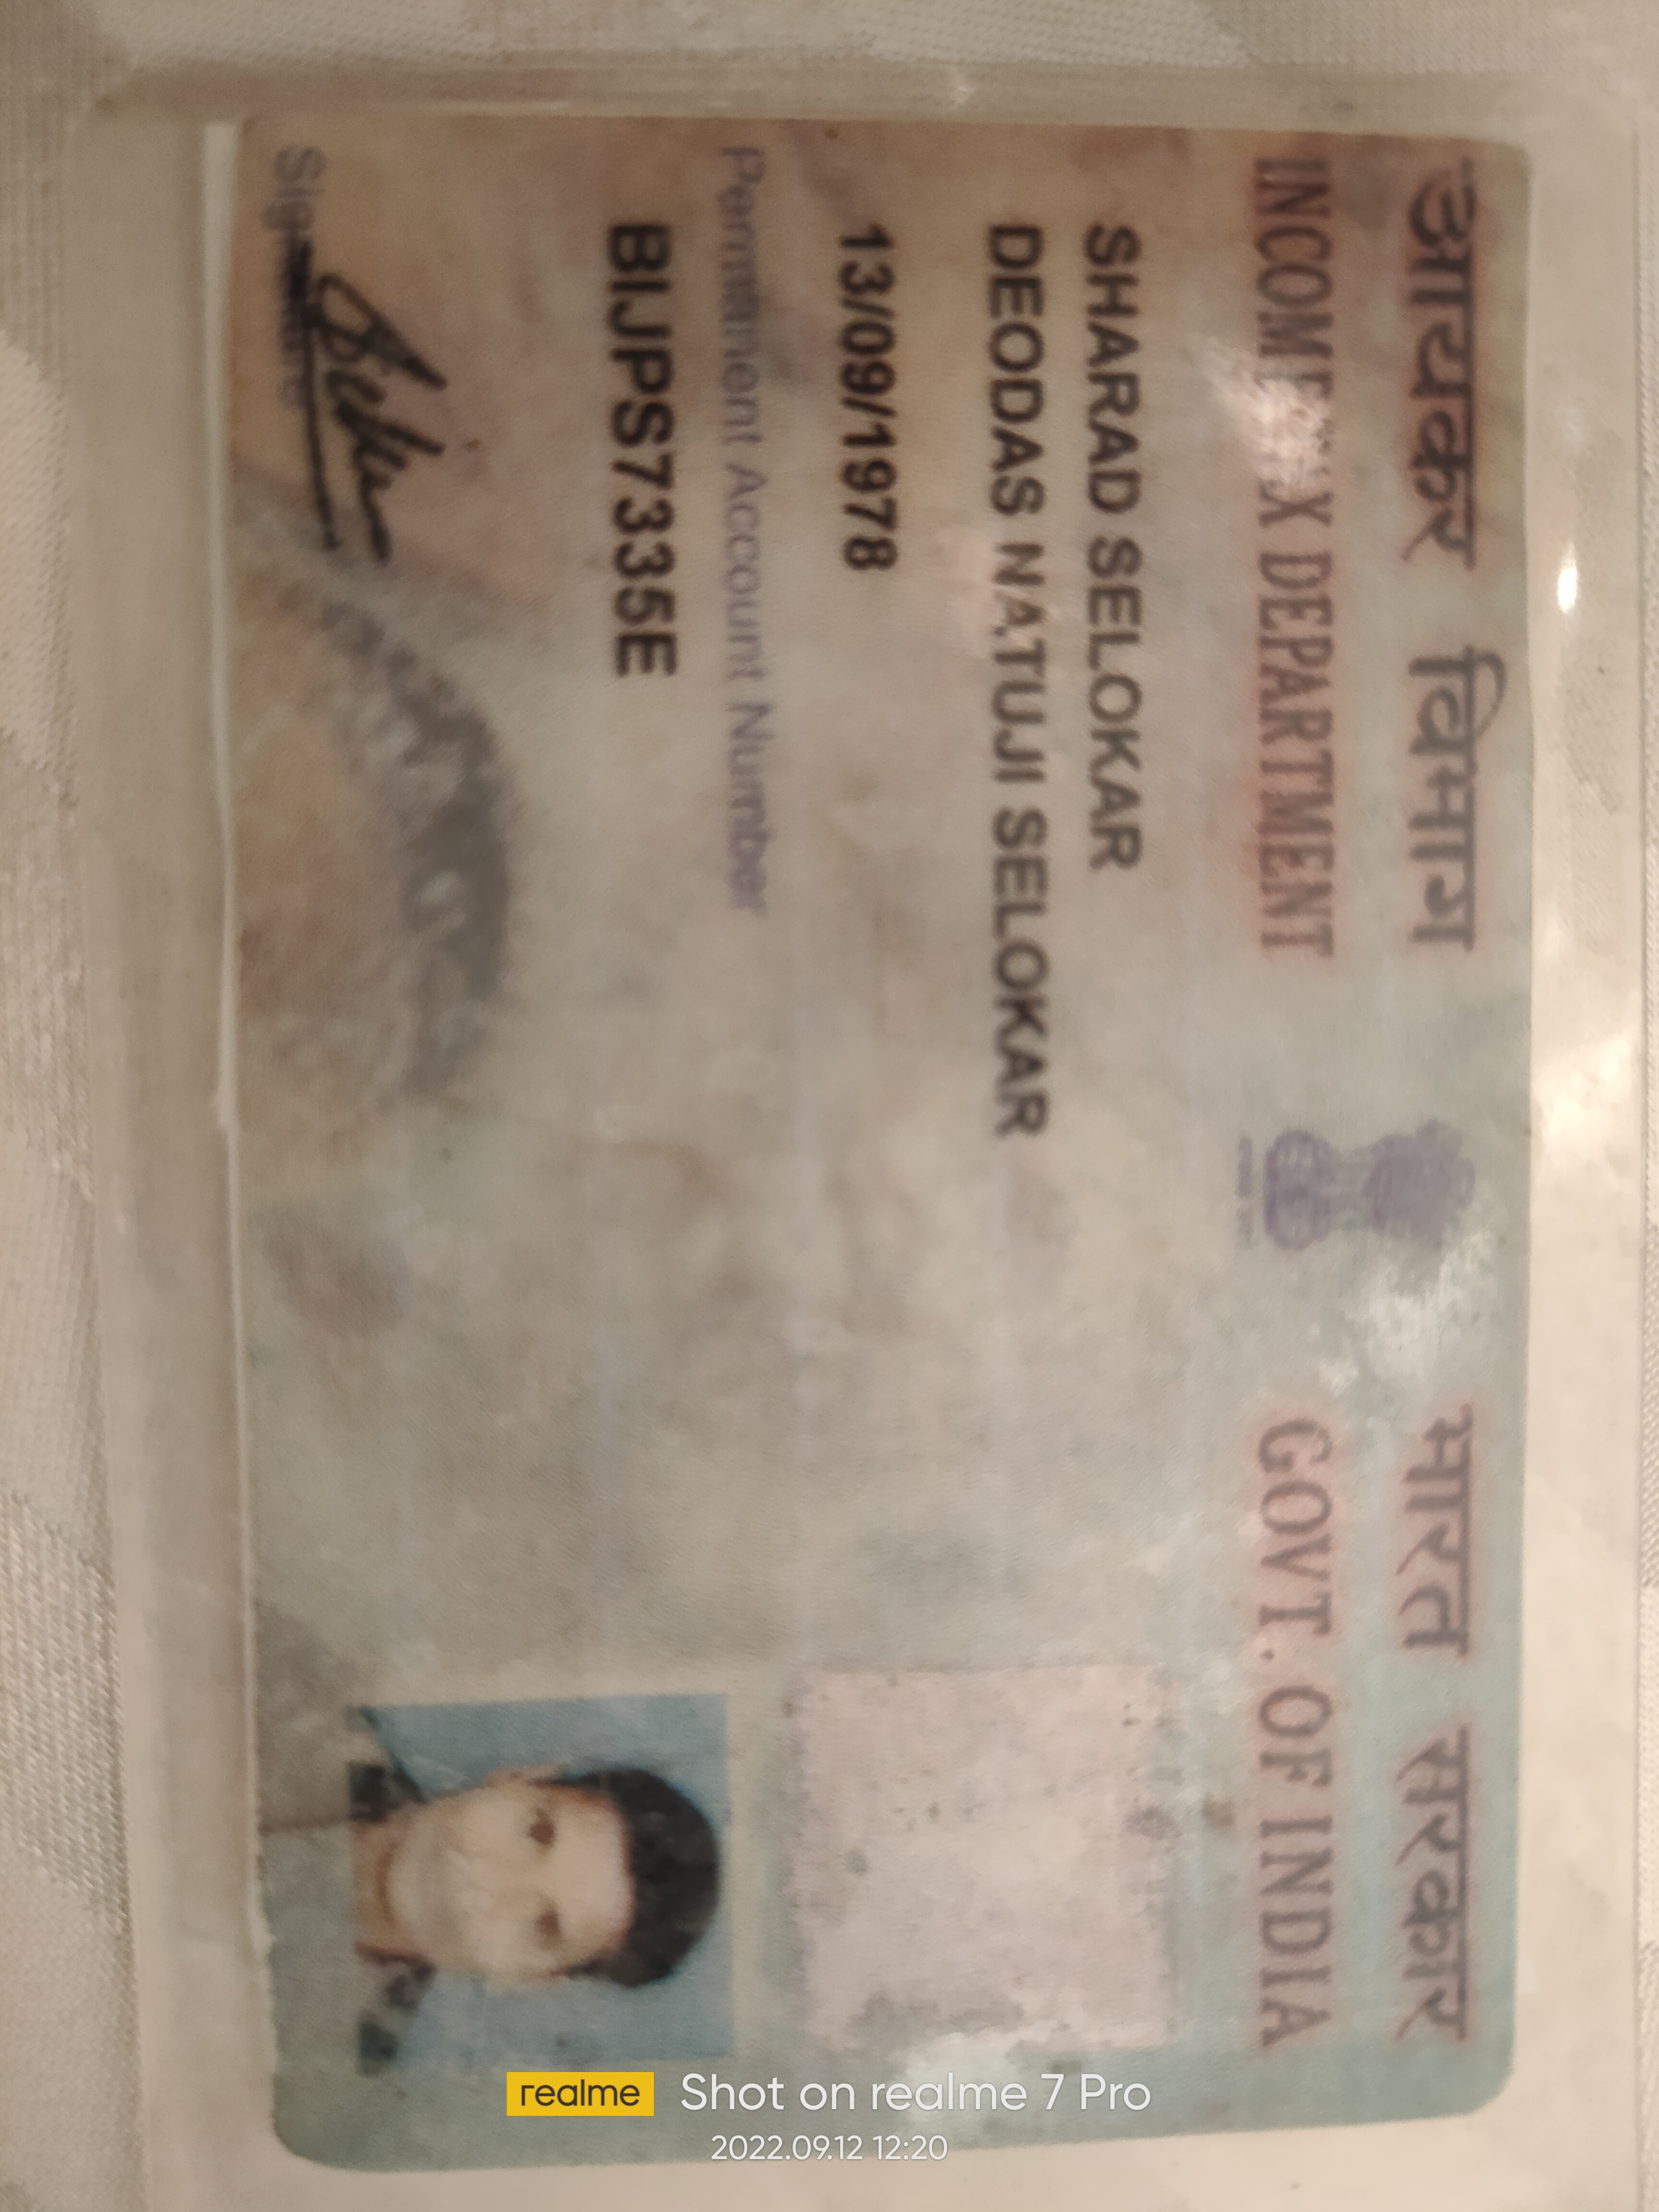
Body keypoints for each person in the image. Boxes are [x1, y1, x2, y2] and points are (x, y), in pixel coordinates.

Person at [262, 1718, 720, 2074]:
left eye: (543, 1925)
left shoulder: (328, 2068)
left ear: (530, 1979)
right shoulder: (307, 1717)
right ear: (516, 1778)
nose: (491, 1881)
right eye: (536, 1832)